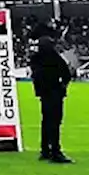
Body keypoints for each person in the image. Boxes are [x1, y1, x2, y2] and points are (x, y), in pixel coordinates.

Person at [29, 26, 73, 164]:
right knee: (54, 122)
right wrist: (62, 87)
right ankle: (55, 151)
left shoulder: (35, 60)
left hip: (43, 94)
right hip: (54, 92)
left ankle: (45, 150)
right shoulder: (54, 58)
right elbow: (66, 73)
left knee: (46, 121)